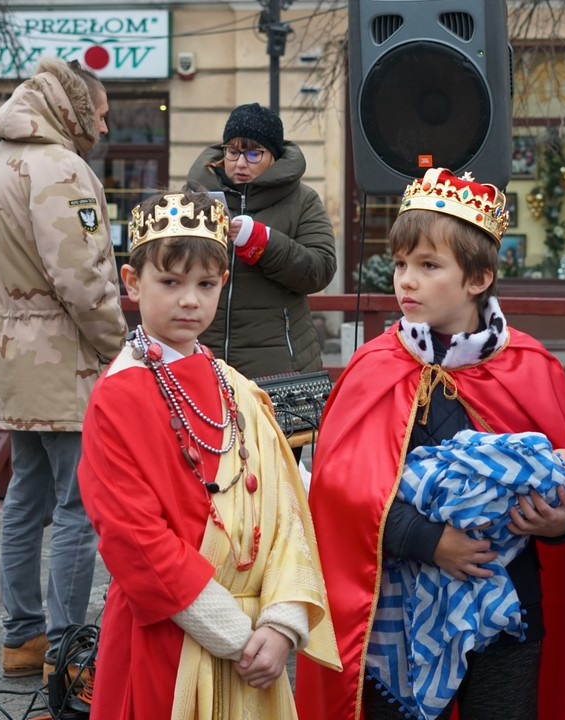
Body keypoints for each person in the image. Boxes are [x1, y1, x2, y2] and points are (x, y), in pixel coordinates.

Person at [294, 168, 565, 720]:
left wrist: (558, 524)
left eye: (428, 265)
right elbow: (339, 497)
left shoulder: (529, 368)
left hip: (511, 615)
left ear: (478, 278)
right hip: (394, 621)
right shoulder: (375, 367)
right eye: (401, 264)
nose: (406, 281)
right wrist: (430, 539)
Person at [76, 190, 341, 718]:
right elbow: (133, 537)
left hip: (257, 642)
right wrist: (235, 634)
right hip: (171, 638)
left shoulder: (235, 386)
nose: (189, 301)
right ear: (132, 283)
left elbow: (285, 510)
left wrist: (283, 623)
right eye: (169, 283)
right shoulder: (118, 395)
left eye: (204, 285)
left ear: (223, 283)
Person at [0, 56, 127, 678]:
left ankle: (22, 638)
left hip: (11, 351)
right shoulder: (61, 168)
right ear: (76, 108)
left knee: (23, 502)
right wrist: (119, 346)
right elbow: (83, 279)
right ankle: (66, 651)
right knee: (75, 508)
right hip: (66, 359)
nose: (106, 128)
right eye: (103, 114)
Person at [186, 102, 337, 378]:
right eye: (233, 152)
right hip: (201, 359)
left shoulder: (302, 199)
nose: (241, 163)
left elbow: (321, 268)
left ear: (274, 157)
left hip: (278, 367)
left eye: (254, 153)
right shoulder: (195, 196)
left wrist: (264, 243)